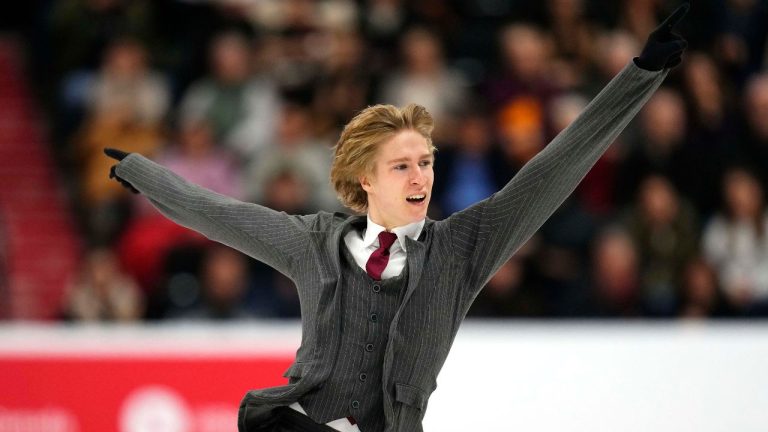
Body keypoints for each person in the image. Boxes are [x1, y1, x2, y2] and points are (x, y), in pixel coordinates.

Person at [103, 4, 689, 431]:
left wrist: (640, 75)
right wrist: (143, 173)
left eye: (427, 163)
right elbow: (220, 213)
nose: (421, 178)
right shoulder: (314, 242)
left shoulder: (464, 248)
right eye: (403, 166)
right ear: (366, 178)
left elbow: (554, 169)